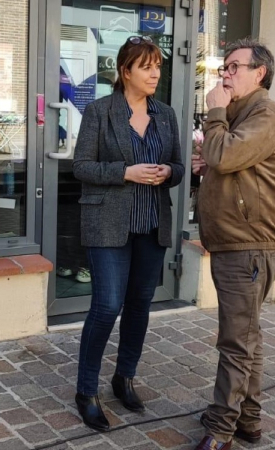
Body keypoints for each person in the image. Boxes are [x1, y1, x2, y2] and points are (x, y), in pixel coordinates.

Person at [72, 35, 184, 432]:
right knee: (106, 306)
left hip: (151, 224)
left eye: (158, 66)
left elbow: (178, 166)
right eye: (147, 67)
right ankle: (86, 391)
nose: (155, 73)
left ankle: (124, 377)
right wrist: (125, 172)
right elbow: (81, 166)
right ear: (125, 72)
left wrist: (169, 172)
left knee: (139, 305)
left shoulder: (166, 114)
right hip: (108, 224)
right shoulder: (100, 111)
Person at [191, 38, 275, 450]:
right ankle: (249, 419)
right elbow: (228, 164)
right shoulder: (244, 114)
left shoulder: (267, 113)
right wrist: (209, 166)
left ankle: (221, 431)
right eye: (224, 68)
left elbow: (227, 156)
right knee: (246, 335)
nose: (226, 75)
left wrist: (215, 115)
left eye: (234, 67)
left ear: (259, 73)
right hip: (237, 243)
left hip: (250, 245)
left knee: (235, 342)